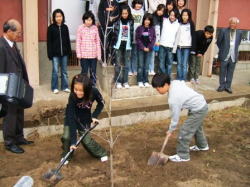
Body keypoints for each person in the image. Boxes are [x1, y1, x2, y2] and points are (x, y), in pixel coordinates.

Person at [152, 73, 209, 162]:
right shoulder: (175, 83)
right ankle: (202, 146)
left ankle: (183, 155)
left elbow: (175, 118)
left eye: (158, 88)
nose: (157, 91)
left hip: (198, 109)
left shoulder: (173, 98)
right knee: (197, 127)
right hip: (200, 104)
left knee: (185, 131)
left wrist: (171, 130)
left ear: (166, 84)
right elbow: (183, 93)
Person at [0, 19, 33, 154]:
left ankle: (19, 137)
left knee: (20, 111)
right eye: (18, 33)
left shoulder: (13, 43)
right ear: (8, 32)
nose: (20, 35)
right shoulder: (1, 47)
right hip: (8, 87)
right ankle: (9, 142)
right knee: (10, 115)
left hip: (18, 84)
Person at [61, 74, 108, 164]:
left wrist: (94, 116)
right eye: (75, 89)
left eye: (81, 90)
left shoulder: (94, 91)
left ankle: (102, 153)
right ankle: (66, 156)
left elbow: (102, 103)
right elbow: (71, 117)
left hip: (85, 119)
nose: (78, 92)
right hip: (71, 118)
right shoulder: (72, 96)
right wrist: (73, 142)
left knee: (87, 141)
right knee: (67, 138)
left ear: (87, 89)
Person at [47, 9, 71, 94]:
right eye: (57, 16)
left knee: (64, 71)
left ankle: (65, 86)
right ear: (54, 18)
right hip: (55, 54)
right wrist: (50, 54)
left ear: (63, 17)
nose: (59, 18)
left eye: (60, 16)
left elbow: (68, 41)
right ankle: (54, 87)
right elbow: (49, 42)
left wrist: (69, 52)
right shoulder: (51, 28)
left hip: (64, 53)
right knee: (55, 71)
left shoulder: (65, 27)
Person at [216, 17, 242, 94]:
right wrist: (223, 49)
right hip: (224, 55)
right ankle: (221, 86)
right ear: (229, 23)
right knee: (222, 71)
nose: (232, 24)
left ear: (237, 24)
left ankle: (228, 87)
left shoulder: (240, 32)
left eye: (234, 23)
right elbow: (218, 42)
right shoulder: (223, 31)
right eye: (231, 23)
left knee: (230, 72)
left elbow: (238, 43)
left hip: (233, 56)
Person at [76, 11, 101, 85]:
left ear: (92, 20)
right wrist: (79, 54)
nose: (88, 22)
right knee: (84, 72)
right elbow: (78, 42)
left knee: (93, 71)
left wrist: (98, 54)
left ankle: (93, 86)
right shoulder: (80, 28)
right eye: (86, 20)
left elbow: (97, 42)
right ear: (84, 20)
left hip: (93, 55)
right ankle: (83, 86)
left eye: (90, 20)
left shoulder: (95, 28)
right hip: (84, 55)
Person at [113, 5, 134, 89]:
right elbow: (114, 33)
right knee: (118, 64)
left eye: (126, 13)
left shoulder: (131, 21)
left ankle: (125, 81)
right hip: (118, 45)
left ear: (128, 13)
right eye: (123, 13)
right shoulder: (117, 21)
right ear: (120, 13)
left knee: (127, 65)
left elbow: (132, 33)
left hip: (127, 45)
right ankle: (118, 81)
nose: (124, 15)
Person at [173, 9, 195, 81]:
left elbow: (192, 35)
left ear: (189, 16)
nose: (184, 16)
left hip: (187, 47)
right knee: (179, 63)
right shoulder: (178, 23)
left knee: (184, 64)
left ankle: (184, 79)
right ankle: (179, 78)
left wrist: (192, 47)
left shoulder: (191, 24)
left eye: (186, 15)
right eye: (183, 15)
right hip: (179, 46)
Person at [136, 13, 156, 87]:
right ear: (143, 20)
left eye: (148, 20)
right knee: (140, 65)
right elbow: (137, 39)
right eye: (145, 19)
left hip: (149, 50)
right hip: (141, 49)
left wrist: (149, 47)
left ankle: (146, 80)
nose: (147, 21)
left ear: (151, 21)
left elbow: (154, 38)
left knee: (146, 66)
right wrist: (143, 47)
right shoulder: (139, 28)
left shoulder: (152, 29)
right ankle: (140, 80)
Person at [159, 9, 179, 76]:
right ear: (169, 15)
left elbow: (177, 38)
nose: (172, 17)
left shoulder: (178, 25)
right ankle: (164, 77)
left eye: (174, 15)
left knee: (169, 64)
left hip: (171, 47)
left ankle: (168, 79)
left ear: (176, 16)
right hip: (162, 45)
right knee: (161, 63)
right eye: (171, 15)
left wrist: (174, 48)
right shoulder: (164, 21)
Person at [98, 0, 119, 64]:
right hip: (105, 28)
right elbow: (100, 13)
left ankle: (113, 61)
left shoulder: (116, 3)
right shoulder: (103, 2)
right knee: (105, 45)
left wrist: (114, 21)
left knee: (113, 44)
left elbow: (118, 14)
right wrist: (104, 25)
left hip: (113, 27)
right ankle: (104, 59)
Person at [129, 0, 145, 76]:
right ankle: (129, 70)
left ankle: (134, 69)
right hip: (130, 35)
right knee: (129, 54)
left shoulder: (142, 12)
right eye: (137, 3)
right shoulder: (130, 10)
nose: (138, 5)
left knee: (135, 54)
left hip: (138, 36)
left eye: (140, 4)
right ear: (134, 4)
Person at [151, 4, 165, 75]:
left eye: (162, 11)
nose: (160, 12)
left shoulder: (163, 19)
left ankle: (156, 71)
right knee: (152, 56)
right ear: (157, 9)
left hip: (159, 40)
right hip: (152, 40)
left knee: (157, 56)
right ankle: (151, 69)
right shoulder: (152, 17)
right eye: (159, 10)